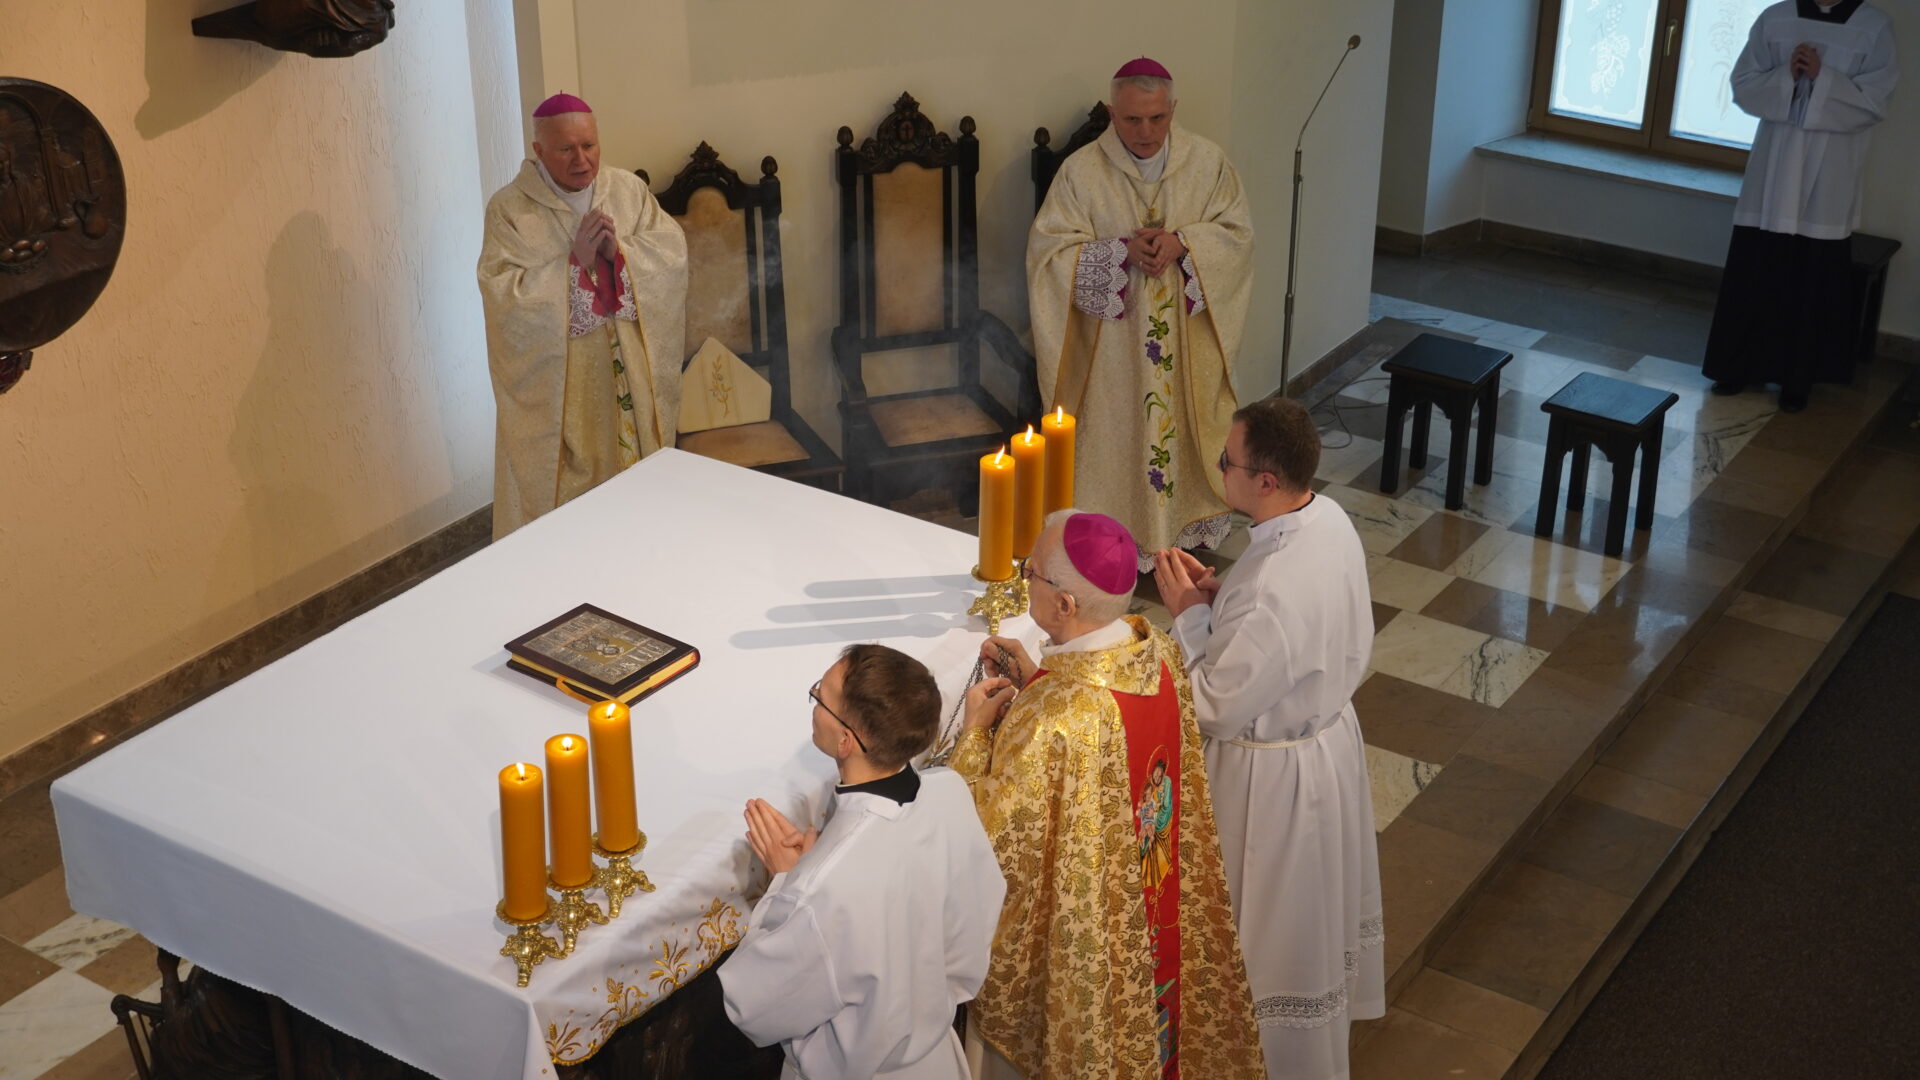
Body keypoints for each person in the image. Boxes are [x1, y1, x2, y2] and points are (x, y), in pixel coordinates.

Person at [953, 510, 1262, 1080]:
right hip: (1152, 898)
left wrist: (974, 737)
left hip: (1090, 940)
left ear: (1065, 605)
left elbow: (987, 840)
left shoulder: (1054, 717)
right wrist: (1037, 682)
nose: (1024, 579)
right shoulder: (1159, 652)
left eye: (1032, 573)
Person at [1150, 397, 1383, 1080]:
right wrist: (1222, 597)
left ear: (1267, 480)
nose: (1220, 468)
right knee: (1308, 924)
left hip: (1271, 786)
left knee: (1263, 939)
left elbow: (1216, 705)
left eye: (1228, 461)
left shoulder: (1273, 589)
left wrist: (1188, 616)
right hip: (1325, 751)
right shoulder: (1326, 517)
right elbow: (1289, 623)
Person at [717, 644, 1005, 1079]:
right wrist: (825, 856)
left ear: (846, 741)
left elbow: (751, 1006)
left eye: (820, 697)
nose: (815, 702)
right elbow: (968, 917)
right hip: (935, 1059)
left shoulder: (821, 891)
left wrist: (788, 882)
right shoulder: (949, 791)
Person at [1028, 58, 1254, 570]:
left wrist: (1185, 243)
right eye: (1132, 119)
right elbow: (1047, 257)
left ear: (1173, 108)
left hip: (1187, 343)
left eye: (1157, 118)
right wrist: (1118, 254)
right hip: (1112, 355)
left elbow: (1238, 236)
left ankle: (1181, 531)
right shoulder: (1081, 172)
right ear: (1113, 113)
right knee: (1117, 437)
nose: (1146, 131)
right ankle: (1109, 536)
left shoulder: (1208, 163)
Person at [478, 92, 688, 537]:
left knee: (638, 506)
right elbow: (503, 295)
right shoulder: (509, 210)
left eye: (589, 145)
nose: (582, 160)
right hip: (565, 390)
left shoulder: (627, 190)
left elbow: (671, 255)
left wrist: (621, 255)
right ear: (538, 151)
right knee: (574, 520)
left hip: (628, 374)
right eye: (566, 149)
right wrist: (573, 265)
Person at [1702, 0, 1899, 413]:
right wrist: (1786, 77)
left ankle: (1798, 378)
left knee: (1812, 277)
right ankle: (1737, 367)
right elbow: (1743, 82)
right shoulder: (1776, 18)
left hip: (1829, 176)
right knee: (1756, 269)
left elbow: (1874, 101)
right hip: (1772, 171)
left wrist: (1823, 77)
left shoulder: (1873, 27)